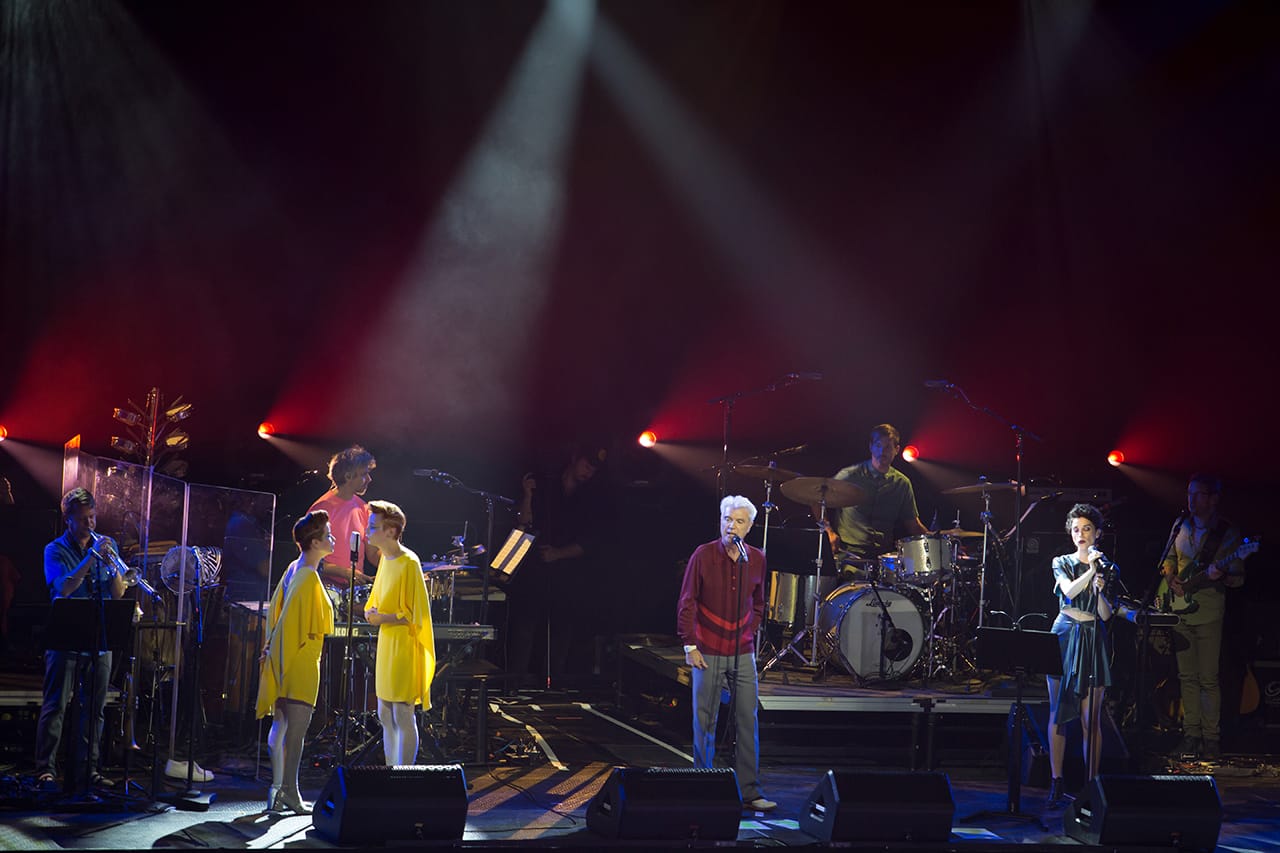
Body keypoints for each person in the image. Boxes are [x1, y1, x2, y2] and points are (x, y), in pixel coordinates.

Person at [677, 495, 775, 812]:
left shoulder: (757, 559)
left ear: (750, 527)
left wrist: (750, 629)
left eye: (738, 521)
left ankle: (749, 791)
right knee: (705, 720)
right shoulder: (703, 555)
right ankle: (702, 786)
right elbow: (687, 601)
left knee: (748, 717)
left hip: (741, 650)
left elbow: (759, 604)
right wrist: (690, 645)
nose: (731, 526)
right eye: (727, 519)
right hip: (707, 648)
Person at [34, 487, 128, 793]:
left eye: (93, 517)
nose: (91, 524)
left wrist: (115, 568)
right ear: (68, 520)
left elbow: (118, 593)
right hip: (65, 639)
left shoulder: (106, 546)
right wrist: (90, 557)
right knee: (56, 706)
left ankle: (89, 770)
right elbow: (63, 588)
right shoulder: (55, 549)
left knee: (95, 709)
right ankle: (45, 772)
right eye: (83, 519)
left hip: (99, 638)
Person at [1160, 474, 1248, 760]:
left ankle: (1211, 739)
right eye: (1189, 493)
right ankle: (1190, 735)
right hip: (1179, 609)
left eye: (1198, 495)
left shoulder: (1228, 532)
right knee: (1186, 677)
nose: (1191, 500)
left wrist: (1221, 574)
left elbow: (1238, 579)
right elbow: (1169, 560)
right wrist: (1170, 576)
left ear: (1213, 498)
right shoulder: (1180, 525)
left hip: (1209, 611)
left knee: (1208, 679)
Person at [256, 510, 336, 814]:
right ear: (315, 542)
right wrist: (276, 656)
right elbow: (287, 623)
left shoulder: (296, 568)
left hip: (291, 656)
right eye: (328, 535)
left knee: (282, 725)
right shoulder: (305, 575)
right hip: (300, 659)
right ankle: (288, 790)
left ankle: (278, 789)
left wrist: (271, 652)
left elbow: (276, 615)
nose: (333, 539)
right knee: (296, 731)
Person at [505, 443, 606, 684]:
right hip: (534, 570)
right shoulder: (546, 485)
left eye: (593, 470)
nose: (588, 473)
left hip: (566, 575)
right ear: (575, 458)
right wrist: (528, 496)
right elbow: (523, 523)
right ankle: (514, 682)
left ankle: (552, 684)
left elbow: (591, 541)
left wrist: (559, 554)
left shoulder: (590, 498)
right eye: (586, 466)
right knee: (524, 628)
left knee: (560, 631)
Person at [1045, 503, 1114, 806]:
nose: (1081, 534)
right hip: (1064, 633)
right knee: (1059, 712)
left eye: (1086, 529)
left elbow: (1106, 615)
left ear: (1097, 533)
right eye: (1076, 529)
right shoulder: (1061, 561)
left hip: (1091, 637)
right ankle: (1056, 780)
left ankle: (1091, 784)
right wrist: (1090, 572)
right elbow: (1070, 592)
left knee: (1091, 718)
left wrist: (1099, 587)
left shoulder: (1108, 566)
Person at [363, 500, 435, 765]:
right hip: (387, 643)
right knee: (385, 712)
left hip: (404, 645)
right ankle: (392, 770)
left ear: (391, 531)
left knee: (402, 712)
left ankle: (403, 773)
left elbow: (414, 614)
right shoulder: (385, 560)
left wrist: (381, 617)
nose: (367, 531)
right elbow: (377, 599)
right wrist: (371, 612)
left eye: (373, 526)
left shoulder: (409, 562)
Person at [822, 423, 928, 575]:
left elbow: (913, 525)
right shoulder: (850, 475)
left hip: (883, 559)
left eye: (887, 447)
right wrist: (828, 530)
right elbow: (817, 497)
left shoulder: (902, 483)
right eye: (878, 446)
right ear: (871, 447)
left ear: (896, 450)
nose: (882, 452)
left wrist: (937, 543)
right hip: (849, 556)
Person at [309, 445, 379, 590]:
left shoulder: (363, 507)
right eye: (364, 474)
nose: (369, 479)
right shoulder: (321, 509)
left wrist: (398, 562)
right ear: (348, 476)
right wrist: (345, 573)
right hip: (325, 590)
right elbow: (309, 558)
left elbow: (372, 553)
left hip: (353, 591)